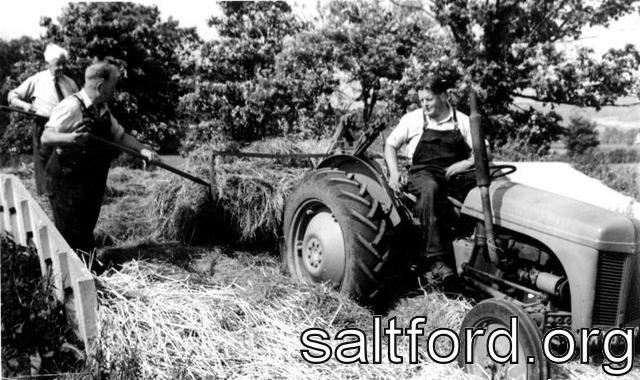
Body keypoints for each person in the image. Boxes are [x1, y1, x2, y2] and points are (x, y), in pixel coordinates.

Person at [41, 61, 160, 255]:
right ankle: (73, 276)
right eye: (112, 86)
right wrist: (71, 138)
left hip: (90, 181)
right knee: (70, 234)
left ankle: (87, 267)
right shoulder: (71, 106)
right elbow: (47, 136)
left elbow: (120, 136)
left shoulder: (103, 110)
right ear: (100, 86)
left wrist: (142, 150)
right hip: (67, 182)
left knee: (86, 229)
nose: (114, 91)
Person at [384, 75, 478, 286]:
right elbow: (390, 146)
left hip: (454, 175)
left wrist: (464, 164)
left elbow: (482, 152)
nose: (424, 105)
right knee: (431, 189)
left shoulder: (461, 120)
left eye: (429, 99)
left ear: (444, 96)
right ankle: (436, 260)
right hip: (422, 174)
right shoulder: (413, 119)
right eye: (422, 100)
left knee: (486, 186)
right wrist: (394, 172)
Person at [8, 43, 79, 195]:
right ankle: (46, 194)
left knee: (64, 161)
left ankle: (63, 191)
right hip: (43, 125)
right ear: (48, 63)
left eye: (63, 64)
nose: (61, 68)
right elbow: (12, 96)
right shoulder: (37, 80)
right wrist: (25, 106)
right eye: (57, 64)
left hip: (65, 128)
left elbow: (80, 104)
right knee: (44, 161)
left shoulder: (70, 83)